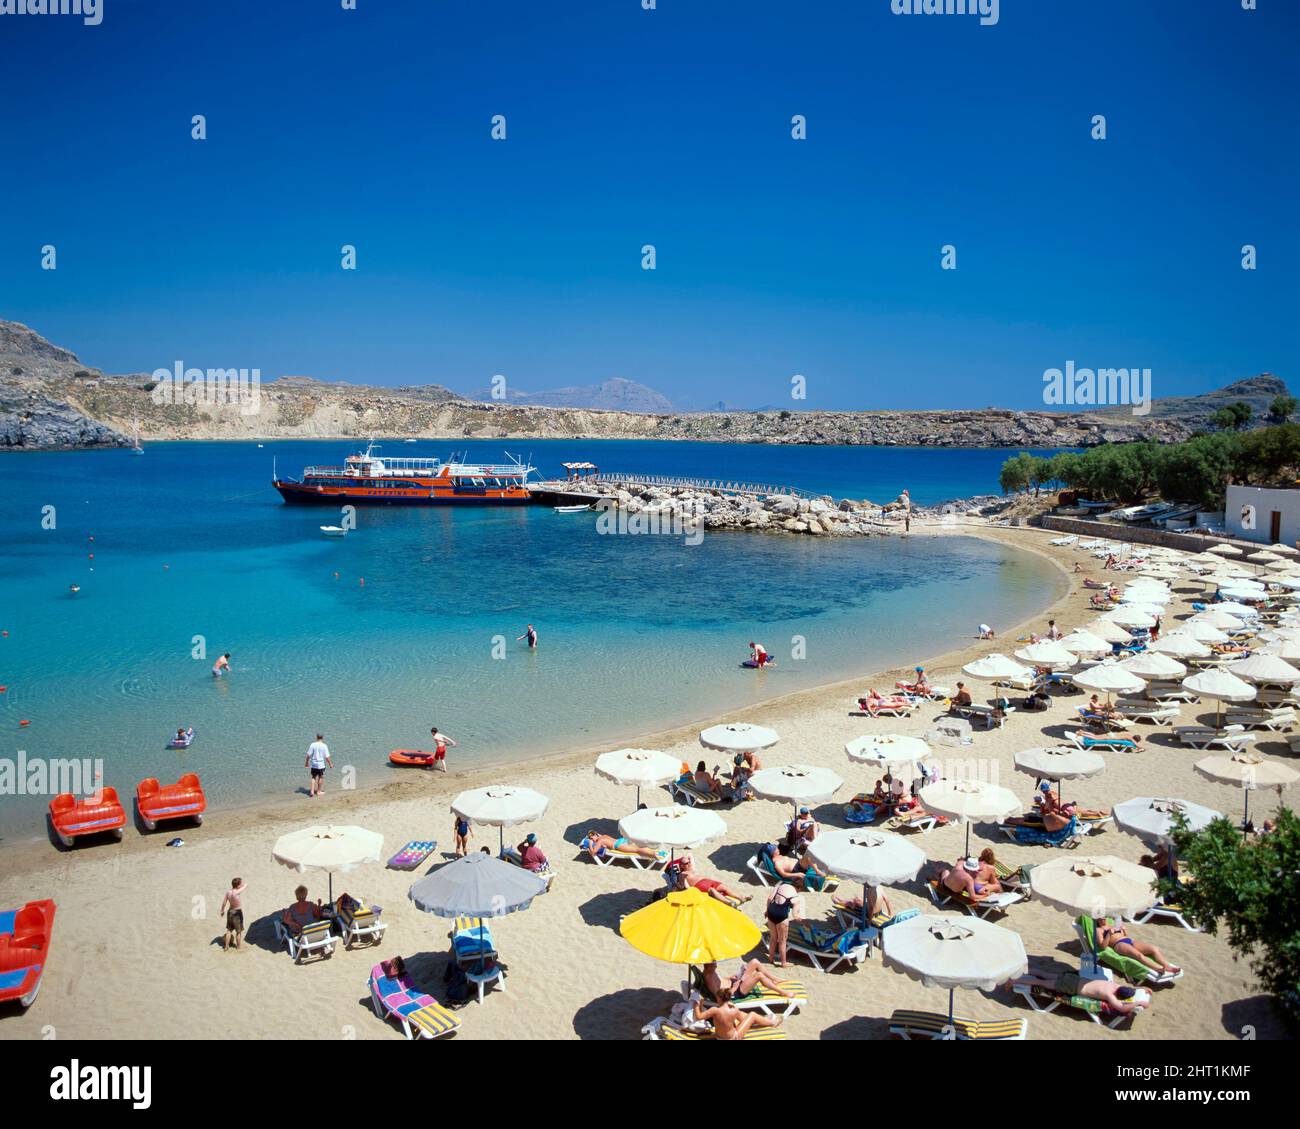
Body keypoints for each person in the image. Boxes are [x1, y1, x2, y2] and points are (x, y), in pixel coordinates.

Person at [1007, 972, 1151, 1015]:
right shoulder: (1110, 995)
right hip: (1071, 986)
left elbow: (1131, 988)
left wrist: (1143, 989)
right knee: (1043, 983)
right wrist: (1137, 1002)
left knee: (1047, 976)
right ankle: (1014, 981)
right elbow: (1121, 1008)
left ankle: (1026, 970)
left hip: (1074, 978)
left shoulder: (1114, 985)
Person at [1095, 918, 1181, 977]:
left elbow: (1125, 936)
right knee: (1138, 955)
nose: (1103, 919)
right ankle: (1158, 969)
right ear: (1097, 920)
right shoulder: (1099, 930)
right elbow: (1103, 946)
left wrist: (1124, 930)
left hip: (1129, 941)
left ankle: (1167, 966)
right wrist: (1109, 934)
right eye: (1100, 918)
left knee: (1154, 949)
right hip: (1118, 944)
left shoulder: (1113, 925)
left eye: (1104, 917)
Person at [690, 996, 783, 1041]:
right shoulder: (733, 1010)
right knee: (752, 1015)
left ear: (719, 999)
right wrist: (734, 1008)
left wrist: (698, 1004)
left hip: (719, 1037)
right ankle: (771, 1023)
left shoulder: (714, 1010)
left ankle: (764, 1020)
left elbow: (699, 1017)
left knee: (744, 1017)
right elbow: (743, 1019)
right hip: (733, 1038)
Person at [702, 959, 793, 1003]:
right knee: (759, 975)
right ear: (708, 965)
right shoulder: (709, 978)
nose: (716, 964)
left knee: (755, 962)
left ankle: (774, 979)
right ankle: (782, 992)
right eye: (714, 963)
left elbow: (721, 981)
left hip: (733, 983)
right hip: (735, 992)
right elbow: (719, 998)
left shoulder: (710, 971)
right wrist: (734, 988)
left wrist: (732, 977)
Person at [676, 855, 752, 905]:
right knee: (712, 890)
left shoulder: (692, 868)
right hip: (699, 885)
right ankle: (728, 902)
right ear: (682, 866)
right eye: (686, 863)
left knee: (723, 887)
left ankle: (741, 898)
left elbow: (690, 855)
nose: (689, 864)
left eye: (689, 862)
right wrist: (678, 884)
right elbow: (683, 886)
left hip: (707, 881)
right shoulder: (682, 874)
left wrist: (686, 859)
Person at [757, 842, 828, 889]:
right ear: (773, 853)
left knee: (809, 856)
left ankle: (818, 871)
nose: (778, 849)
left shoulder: (779, 856)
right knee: (808, 857)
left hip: (799, 865)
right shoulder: (777, 863)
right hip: (798, 869)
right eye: (776, 849)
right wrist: (798, 874)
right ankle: (818, 872)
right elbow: (784, 875)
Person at [765, 882, 803, 967]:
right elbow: (795, 914)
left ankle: (770, 959)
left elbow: (769, 899)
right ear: (799, 889)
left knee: (773, 938)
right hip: (781, 916)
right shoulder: (796, 897)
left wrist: (767, 911)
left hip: (771, 912)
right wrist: (798, 918)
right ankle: (784, 963)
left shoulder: (780, 886)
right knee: (782, 941)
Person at [580, 830, 664, 863]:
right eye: (591, 838)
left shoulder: (600, 840)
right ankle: (658, 852)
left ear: (595, 836)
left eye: (592, 837)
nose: (593, 839)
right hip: (622, 840)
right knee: (640, 845)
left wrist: (590, 844)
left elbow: (593, 853)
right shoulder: (604, 836)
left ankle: (654, 855)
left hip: (619, 845)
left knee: (637, 850)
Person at [219, 877, 248, 951]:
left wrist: (222, 911)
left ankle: (226, 946)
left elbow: (224, 902)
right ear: (238, 885)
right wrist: (244, 884)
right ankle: (238, 947)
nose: (242, 884)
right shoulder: (237, 892)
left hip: (230, 912)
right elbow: (245, 886)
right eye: (240, 883)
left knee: (229, 930)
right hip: (237, 913)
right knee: (238, 931)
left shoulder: (228, 892)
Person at [305, 733, 331, 797]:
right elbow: (327, 756)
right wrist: (330, 763)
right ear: (322, 738)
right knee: (321, 777)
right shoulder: (324, 745)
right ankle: (318, 791)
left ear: (316, 737)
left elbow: (308, 755)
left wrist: (306, 762)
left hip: (314, 764)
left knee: (313, 777)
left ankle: (312, 791)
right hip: (321, 764)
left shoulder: (313, 745)